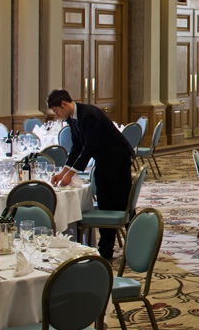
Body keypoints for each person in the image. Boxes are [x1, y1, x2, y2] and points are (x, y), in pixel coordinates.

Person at [47, 89, 135, 260]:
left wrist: (71, 175)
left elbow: (90, 147)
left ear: (64, 104)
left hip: (117, 159)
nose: (57, 116)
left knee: (119, 206)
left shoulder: (89, 114)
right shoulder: (72, 119)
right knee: (106, 204)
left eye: (57, 111)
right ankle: (106, 250)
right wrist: (62, 172)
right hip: (104, 162)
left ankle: (130, 246)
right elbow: (77, 148)